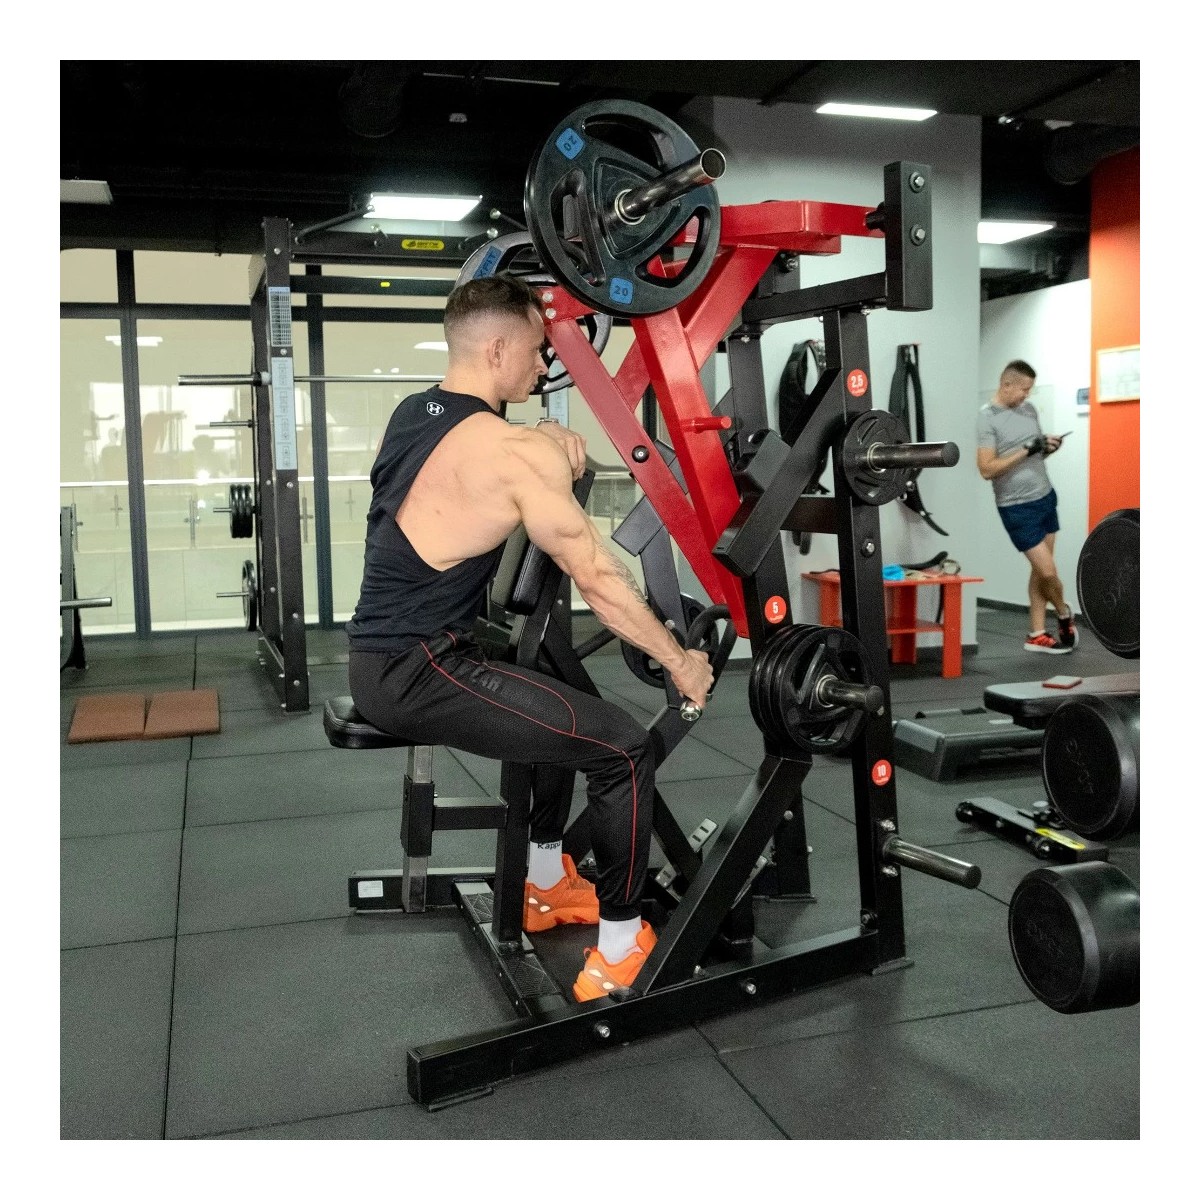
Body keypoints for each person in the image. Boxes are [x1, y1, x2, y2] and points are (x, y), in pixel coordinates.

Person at [345, 274, 714, 1001]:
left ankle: (544, 881)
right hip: (419, 671)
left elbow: (455, 474)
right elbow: (597, 577)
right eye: (538, 349)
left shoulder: (412, 414)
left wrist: (539, 437)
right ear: (497, 349)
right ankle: (619, 949)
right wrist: (680, 661)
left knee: (553, 688)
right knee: (622, 749)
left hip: (387, 657)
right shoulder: (514, 452)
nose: (544, 364)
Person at [976, 359, 1078, 654]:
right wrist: (1025, 450)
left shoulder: (1029, 410)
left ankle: (1037, 633)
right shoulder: (987, 419)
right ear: (1006, 384)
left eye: (1030, 390)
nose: (1027, 395)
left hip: (1044, 496)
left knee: (1039, 570)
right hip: (1016, 507)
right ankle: (1063, 612)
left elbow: (1034, 456)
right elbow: (986, 469)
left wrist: (1046, 448)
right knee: (1048, 572)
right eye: (1023, 389)